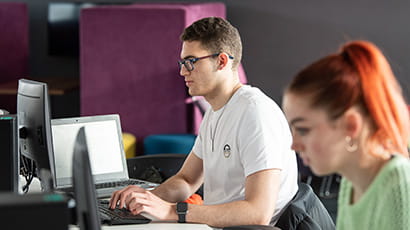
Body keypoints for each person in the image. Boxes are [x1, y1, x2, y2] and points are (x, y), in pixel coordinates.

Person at [109, 17, 298, 227]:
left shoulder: (255, 113)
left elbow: (258, 213)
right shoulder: (214, 112)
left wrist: (172, 211)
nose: (182, 71)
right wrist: (148, 198)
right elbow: (187, 180)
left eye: (191, 62)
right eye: (182, 63)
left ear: (222, 61)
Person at [282, 40, 410, 230]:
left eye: (303, 130)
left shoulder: (399, 187)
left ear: (351, 125)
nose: (294, 145)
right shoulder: (351, 183)